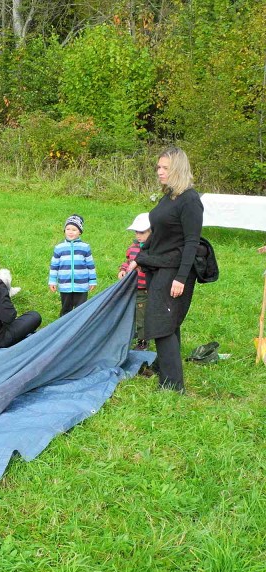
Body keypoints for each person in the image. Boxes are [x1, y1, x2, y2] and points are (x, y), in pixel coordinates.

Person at [127, 147, 204, 393]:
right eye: (158, 167)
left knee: (160, 320)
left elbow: (193, 242)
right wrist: (139, 258)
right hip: (159, 264)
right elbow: (157, 232)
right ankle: (163, 367)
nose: (159, 172)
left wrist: (181, 278)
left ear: (178, 170)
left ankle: (173, 385)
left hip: (176, 268)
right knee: (167, 320)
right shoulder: (168, 197)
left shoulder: (190, 201)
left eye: (165, 168)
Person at [49, 214, 97, 316]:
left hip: (81, 285)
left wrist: (92, 280)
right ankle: (64, 327)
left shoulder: (85, 247)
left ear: (80, 232)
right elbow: (54, 266)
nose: (70, 232)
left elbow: (90, 266)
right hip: (65, 285)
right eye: (68, 229)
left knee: (81, 310)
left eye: (74, 229)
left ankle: (80, 327)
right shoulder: (59, 248)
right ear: (64, 230)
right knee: (66, 309)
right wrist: (52, 281)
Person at [118, 213, 152, 350]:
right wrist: (123, 269)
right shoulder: (133, 247)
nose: (138, 235)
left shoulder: (153, 249)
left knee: (142, 316)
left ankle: (143, 342)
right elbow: (128, 262)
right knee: (132, 314)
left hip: (145, 288)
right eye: (136, 232)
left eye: (142, 232)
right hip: (132, 287)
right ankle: (132, 336)